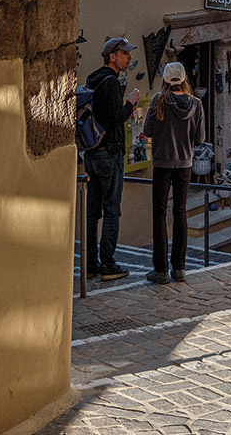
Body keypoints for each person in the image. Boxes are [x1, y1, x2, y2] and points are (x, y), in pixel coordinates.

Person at [83, 37, 141, 281]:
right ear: (112, 57)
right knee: (111, 210)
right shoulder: (111, 83)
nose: (129, 57)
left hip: (92, 152)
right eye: (124, 53)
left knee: (92, 210)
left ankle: (90, 263)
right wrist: (131, 102)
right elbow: (117, 117)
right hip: (110, 152)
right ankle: (107, 264)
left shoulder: (93, 79)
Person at [142, 61, 206, 284]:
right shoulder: (196, 104)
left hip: (162, 163)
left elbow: (147, 130)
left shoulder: (158, 101)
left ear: (165, 80)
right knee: (180, 212)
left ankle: (160, 270)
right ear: (185, 79)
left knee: (159, 214)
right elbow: (200, 138)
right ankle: (179, 268)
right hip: (185, 164)